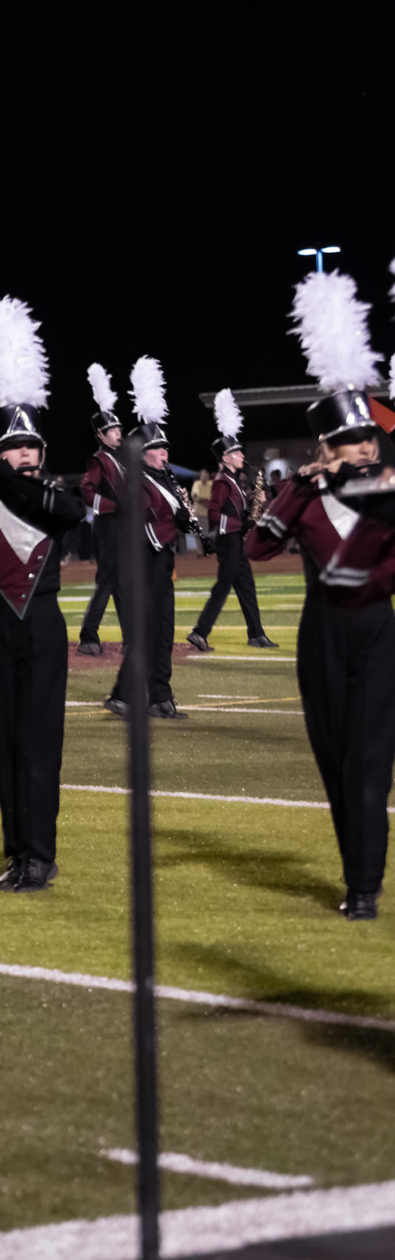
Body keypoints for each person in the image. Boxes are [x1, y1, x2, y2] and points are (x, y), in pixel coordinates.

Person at [245, 270, 395, 921]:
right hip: (321, 635)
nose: (363, 448)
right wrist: (301, 486)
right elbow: (257, 548)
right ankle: (352, 870)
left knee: (368, 758)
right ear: (328, 445)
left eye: (369, 438)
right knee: (335, 760)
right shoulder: (307, 497)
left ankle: (365, 885)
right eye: (350, 440)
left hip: (376, 630)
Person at [0, 298, 85, 893]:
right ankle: (18, 850)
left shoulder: (51, 494)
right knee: (4, 740)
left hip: (41, 626)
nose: (28, 454)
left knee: (39, 743)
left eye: (33, 447)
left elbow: (67, 512)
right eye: (16, 448)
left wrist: (1, 475)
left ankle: (40, 853)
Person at [103, 358, 196, 720]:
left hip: (163, 562)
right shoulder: (137, 481)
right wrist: (176, 522)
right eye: (159, 449)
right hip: (145, 563)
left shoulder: (165, 479)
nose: (165, 454)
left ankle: (160, 695)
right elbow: (141, 525)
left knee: (163, 631)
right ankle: (124, 695)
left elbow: (167, 516)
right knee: (147, 632)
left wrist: (185, 520)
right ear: (144, 452)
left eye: (166, 449)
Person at [188, 390, 277, 652]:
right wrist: (242, 525)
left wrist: (253, 507)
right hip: (228, 541)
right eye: (236, 453)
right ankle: (199, 632)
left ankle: (256, 633)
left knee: (246, 587)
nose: (241, 456)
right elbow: (215, 514)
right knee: (223, 587)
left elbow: (234, 511)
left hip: (235, 541)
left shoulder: (234, 482)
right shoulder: (221, 482)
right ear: (225, 457)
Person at [75, 366, 126, 657]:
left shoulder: (121, 459)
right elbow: (86, 492)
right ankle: (88, 635)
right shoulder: (99, 460)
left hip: (121, 526)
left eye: (119, 429)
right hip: (107, 526)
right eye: (113, 430)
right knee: (108, 579)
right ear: (101, 434)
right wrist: (114, 506)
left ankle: (129, 635)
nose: (119, 433)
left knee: (119, 582)